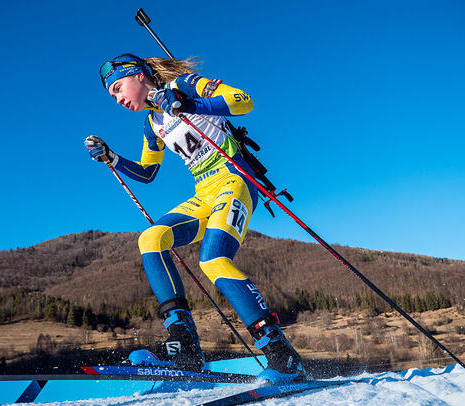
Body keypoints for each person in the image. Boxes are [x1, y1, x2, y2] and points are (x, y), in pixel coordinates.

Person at [85, 53, 304, 382]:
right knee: (151, 239)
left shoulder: (184, 86)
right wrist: (112, 158)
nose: (117, 99)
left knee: (213, 259)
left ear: (139, 75)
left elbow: (243, 101)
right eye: (113, 95)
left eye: (118, 88)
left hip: (234, 178)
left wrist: (189, 104)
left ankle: (280, 353)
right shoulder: (152, 124)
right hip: (204, 191)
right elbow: (147, 172)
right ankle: (185, 346)